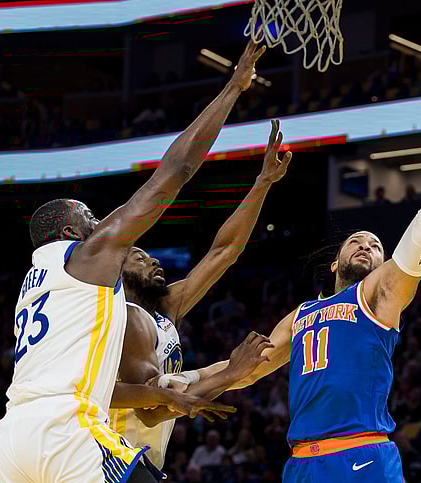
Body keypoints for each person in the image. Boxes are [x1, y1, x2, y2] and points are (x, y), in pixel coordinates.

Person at [0, 42, 267, 483]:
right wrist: (233, 88)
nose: (102, 227)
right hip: (66, 430)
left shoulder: (36, 285)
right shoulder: (87, 258)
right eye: (91, 221)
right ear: (69, 233)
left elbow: (222, 254)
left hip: (10, 438)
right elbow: (173, 173)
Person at [226, 96, 421, 481]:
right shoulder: (301, 314)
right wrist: (188, 381)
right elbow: (246, 370)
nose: (366, 246)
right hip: (301, 464)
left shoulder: (379, 294)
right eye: (356, 241)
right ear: (334, 261)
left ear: (383, 264)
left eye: (376, 246)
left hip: (362, 455)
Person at [109, 120, 291, 470]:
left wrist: (262, 183)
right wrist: (230, 374)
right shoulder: (123, 316)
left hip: (141, 462)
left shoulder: (164, 310)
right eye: (140, 257)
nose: (154, 260)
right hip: (110, 460)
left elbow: (224, 251)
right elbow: (150, 410)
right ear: (118, 272)